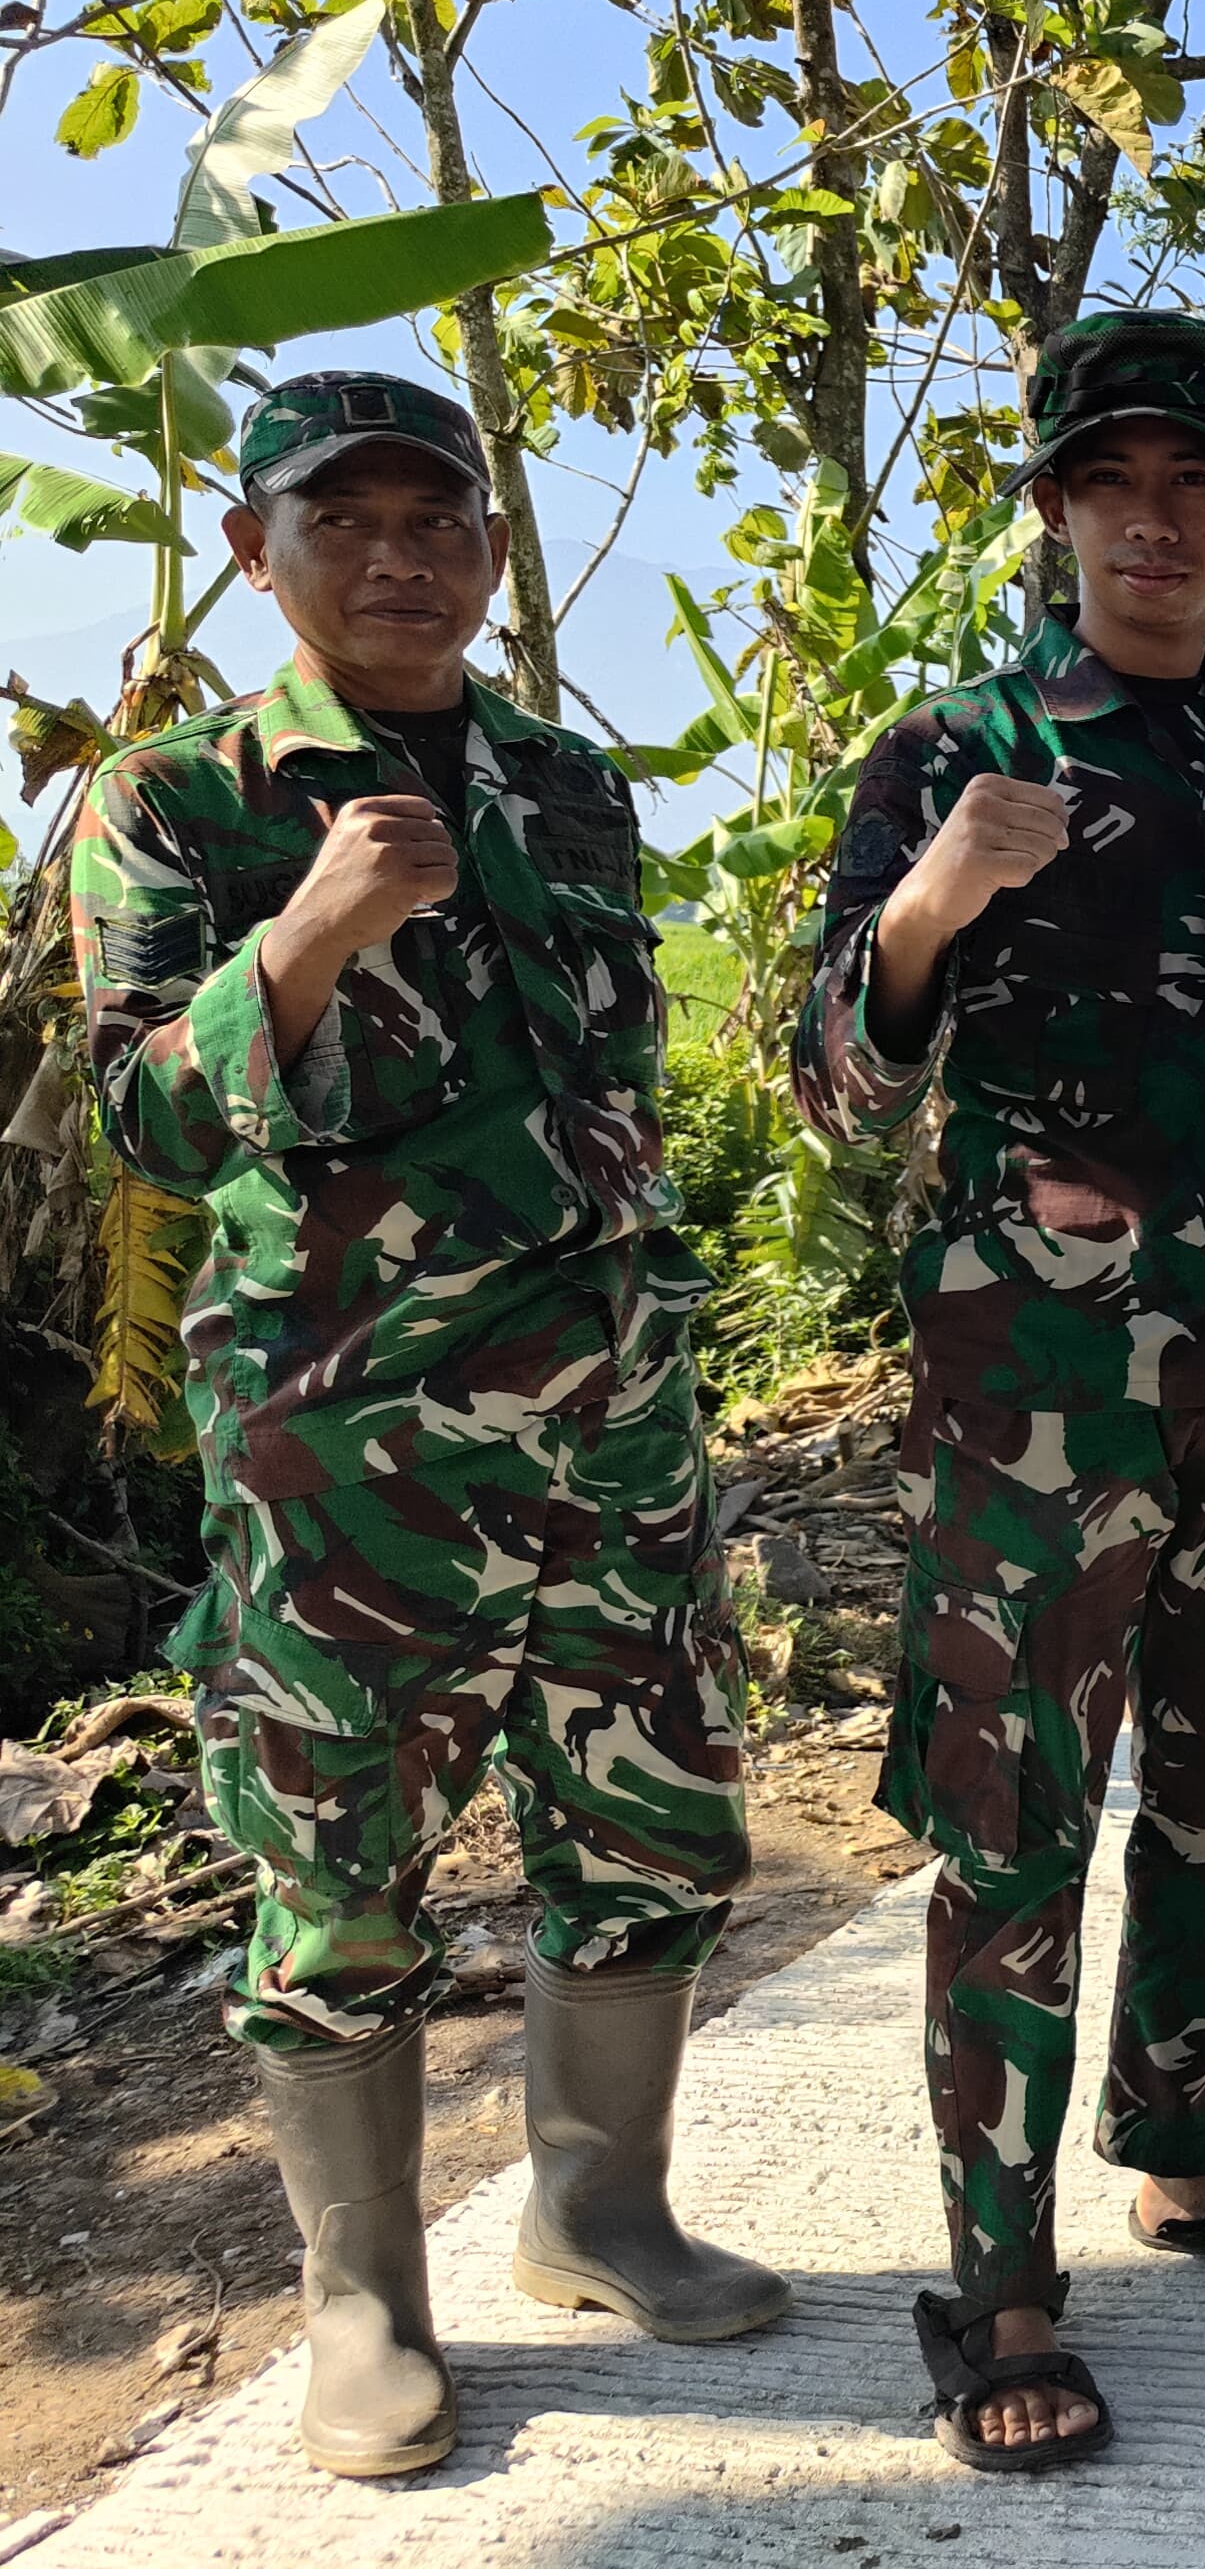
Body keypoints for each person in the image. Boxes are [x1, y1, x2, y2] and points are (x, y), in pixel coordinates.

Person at [70, 373, 785, 2480]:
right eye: (346, 521)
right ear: (255, 551)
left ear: (486, 547)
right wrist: (305, 936)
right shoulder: (180, 798)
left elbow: (608, 1084)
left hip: (611, 1420)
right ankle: (364, 2300)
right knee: (338, 1870)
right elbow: (144, 1119)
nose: (401, 558)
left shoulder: (564, 784)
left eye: (438, 519)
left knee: (647, 1826)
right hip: (347, 1443)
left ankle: (598, 2213)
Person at [794, 310, 1205, 2473]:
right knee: (1011, 1827)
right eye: (1115, 482)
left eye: (1198, 485)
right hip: (1038, 1389)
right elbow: (832, 1084)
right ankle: (997, 2279)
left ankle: (1191, 2152)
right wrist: (934, 901)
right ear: (1057, 511)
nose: (1156, 521)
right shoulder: (953, 747)